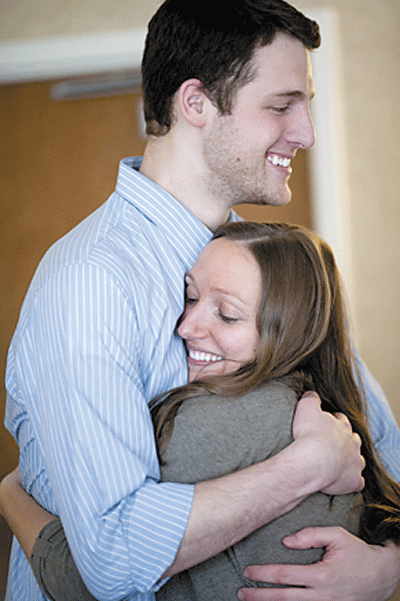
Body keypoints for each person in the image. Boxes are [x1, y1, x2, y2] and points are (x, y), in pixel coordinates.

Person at [3, 1, 400, 599]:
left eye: (306, 104)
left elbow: (388, 460)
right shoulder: (91, 280)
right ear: (196, 103)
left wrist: (388, 567)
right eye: (281, 104)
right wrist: (304, 470)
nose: (306, 133)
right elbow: (112, 558)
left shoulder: (278, 271)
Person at [2, 222, 400, 601]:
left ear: (290, 332)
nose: (187, 327)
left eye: (226, 314)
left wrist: (11, 494)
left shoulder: (218, 423)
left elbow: (88, 583)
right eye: (191, 297)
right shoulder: (315, 405)